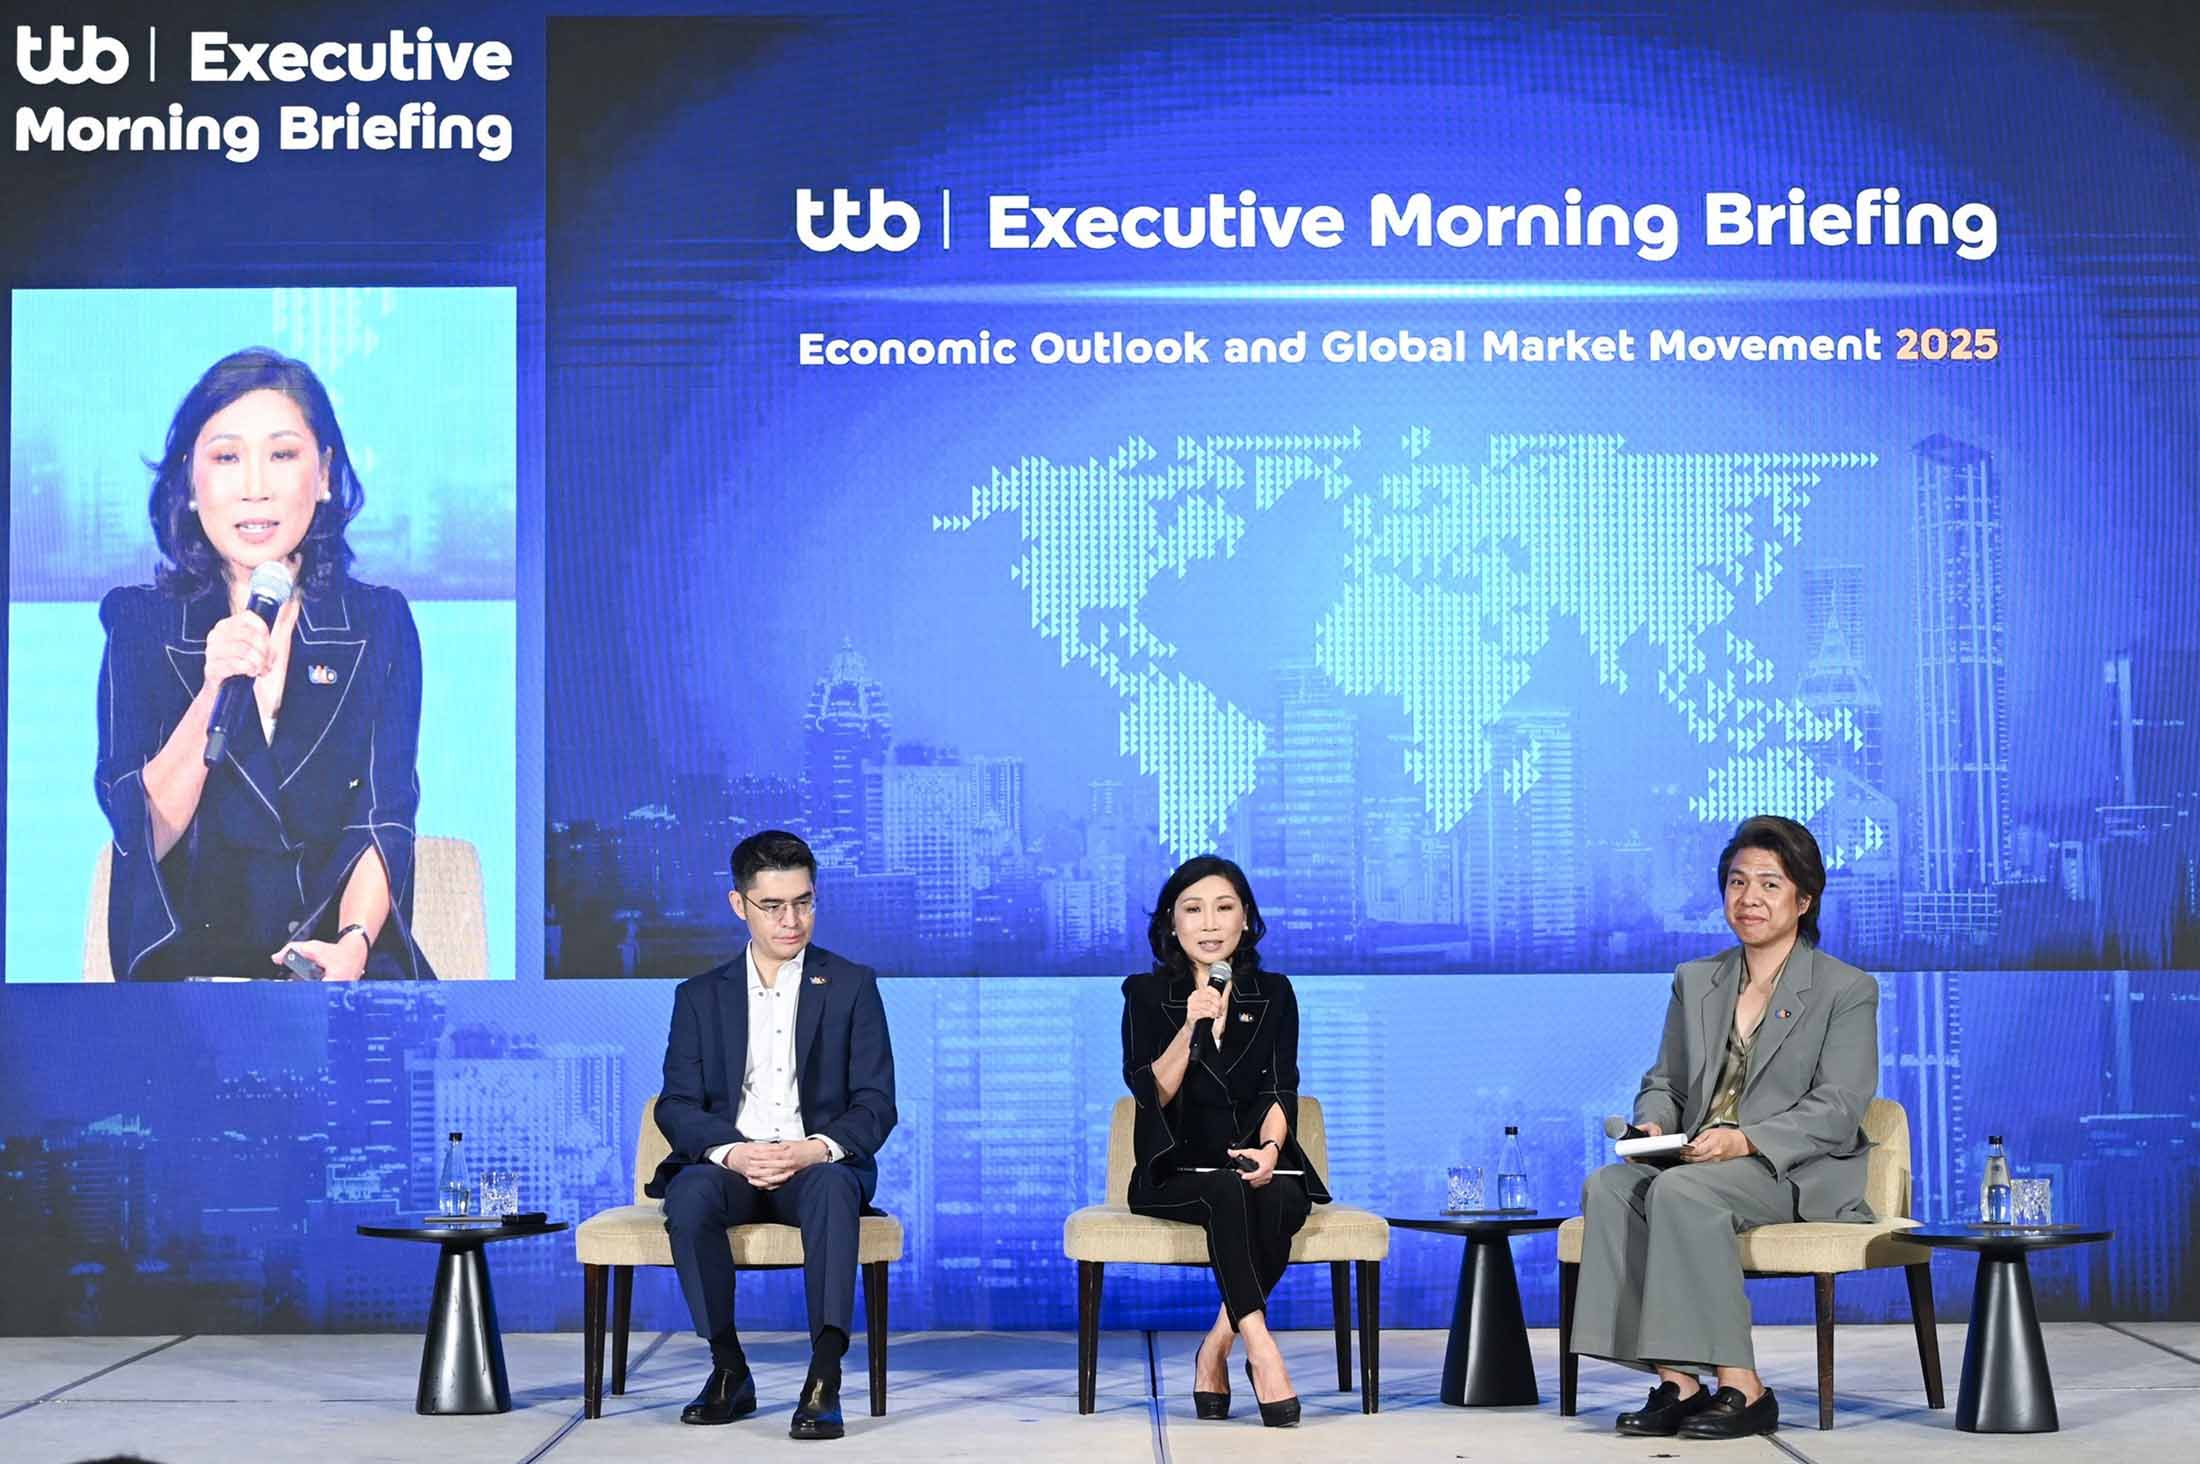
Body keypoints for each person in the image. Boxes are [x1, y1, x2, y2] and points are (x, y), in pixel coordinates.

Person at [93, 347, 434, 981]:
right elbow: (141, 832)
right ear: (190, 482)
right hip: (191, 980)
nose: (255, 487)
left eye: (282, 455)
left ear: (324, 474)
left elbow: (383, 816)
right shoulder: (139, 625)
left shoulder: (379, 624)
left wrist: (353, 945)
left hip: (338, 970)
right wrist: (212, 690)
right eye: (227, 457)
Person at [1572, 815, 1879, 1440]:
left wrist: (1745, 1139)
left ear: (1804, 899)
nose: (1749, 898)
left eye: (1769, 884)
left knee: (1682, 1191)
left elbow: (1840, 1105)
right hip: (1700, 1160)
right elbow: (1666, 1081)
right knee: (1609, 1187)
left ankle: (1745, 1386)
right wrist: (1654, 1123)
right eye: (1738, 882)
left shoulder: (1846, 989)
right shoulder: (1697, 980)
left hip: (1791, 1170)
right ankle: (1679, 1382)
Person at [650, 830, 897, 1442]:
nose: (792, 920)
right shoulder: (699, 996)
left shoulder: (852, 984)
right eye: (774, 906)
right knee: (689, 1195)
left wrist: (815, 1149)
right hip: (733, 1167)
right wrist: (735, 1153)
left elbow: (875, 1103)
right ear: (739, 905)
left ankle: (824, 1377)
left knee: (834, 1189)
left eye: (804, 902)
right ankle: (728, 1368)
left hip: (812, 1165)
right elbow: (677, 1104)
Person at [1119, 855, 1327, 1428]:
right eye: (1193, 909)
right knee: (1228, 1193)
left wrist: (1271, 1151)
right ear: (1172, 921)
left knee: (1282, 1197)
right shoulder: (1144, 994)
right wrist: (1190, 1026)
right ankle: (1262, 1349)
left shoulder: (1274, 993)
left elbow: (1281, 1088)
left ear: (1245, 918)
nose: (1209, 924)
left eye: (1224, 908)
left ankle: (1215, 1346)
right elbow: (1150, 1092)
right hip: (1174, 1170)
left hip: (1251, 1158)